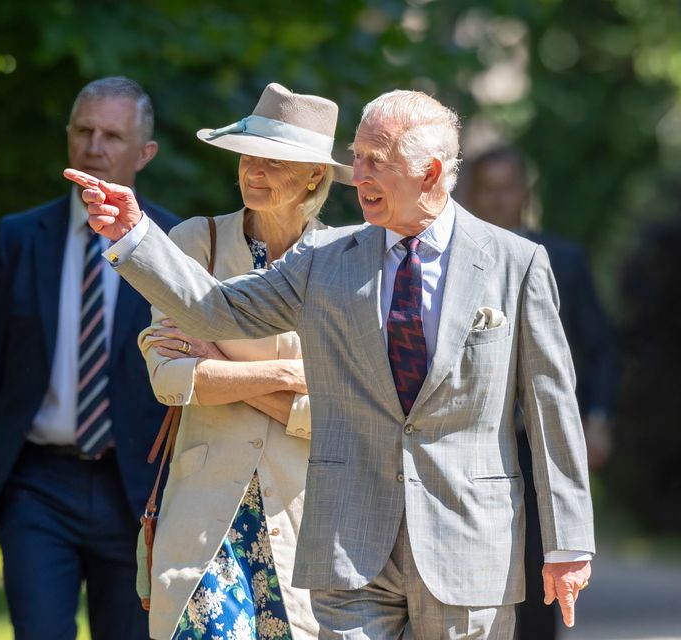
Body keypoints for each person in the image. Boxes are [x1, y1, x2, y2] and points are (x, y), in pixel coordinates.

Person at [66, 89, 596, 640]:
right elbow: (217, 308)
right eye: (357, 155)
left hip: (465, 541)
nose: (358, 174)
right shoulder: (326, 260)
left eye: (375, 162)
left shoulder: (516, 263)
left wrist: (567, 542)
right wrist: (134, 235)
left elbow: (549, 408)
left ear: (430, 172)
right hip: (350, 545)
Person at [0, 76, 179, 640]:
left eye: (112, 136)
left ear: (144, 153)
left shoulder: (174, 242)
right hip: (37, 485)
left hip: (136, 489)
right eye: (84, 131)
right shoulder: (21, 237)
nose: (94, 147)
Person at [140, 83, 351, 640]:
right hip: (204, 522)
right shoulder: (194, 244)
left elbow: (340, 414)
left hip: (301, 522)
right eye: (248, 153)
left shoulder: (346, 264)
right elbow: (168, 377)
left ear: (313, 175)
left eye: (274, 159)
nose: (253, 169)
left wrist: (218, 362)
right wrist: (286, 377)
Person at [467, 145, 618, 640]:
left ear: (524, 193)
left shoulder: (563, 261)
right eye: (486, 188)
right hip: (471, 442)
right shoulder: (449, 262)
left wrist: (596, 418)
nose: (497, 199)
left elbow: (599, 348)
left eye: (507, 187)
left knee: (540, 570)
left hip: (537, 443)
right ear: (471, 194)